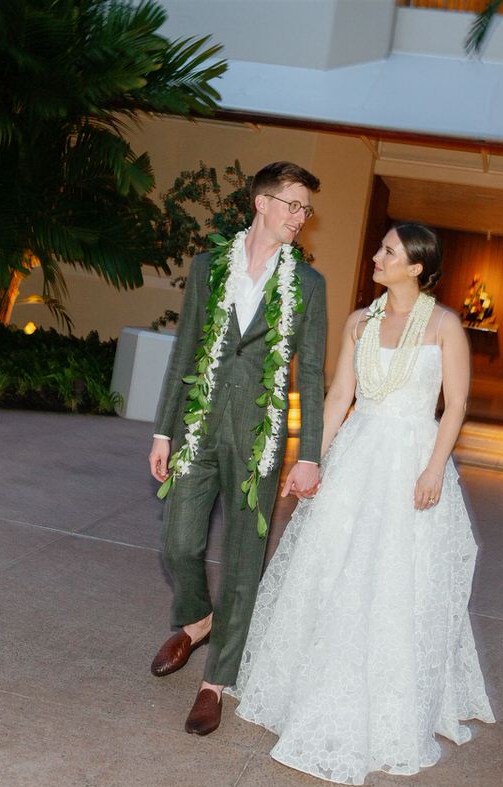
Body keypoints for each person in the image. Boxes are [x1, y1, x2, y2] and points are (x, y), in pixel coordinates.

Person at [227, 222, 494, 784]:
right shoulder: (359, 321)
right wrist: (311, 461)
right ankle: (310, 686)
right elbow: (341, 396)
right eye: (380, 247)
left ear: (416, 266)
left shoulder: (445, 325)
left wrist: (434, 468)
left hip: (412, 460)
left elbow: (457, 404)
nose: (377, 255)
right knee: (332, 570)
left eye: (389, 251)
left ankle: (390, 705)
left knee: (395, 580)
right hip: (358, 455)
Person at [148, 161, 327, 737]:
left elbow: (313, 374)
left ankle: (213, 685)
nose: (300, 217)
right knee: (178, 542)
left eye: (306, 209)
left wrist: (310, 453)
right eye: (292, 205)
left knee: (245, 562)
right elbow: (186, 348)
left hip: (261, 437)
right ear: (261, 202)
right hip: (199, 424)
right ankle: (198, 619)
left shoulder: (309, 285)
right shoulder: (208, 268)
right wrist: (162, 430)